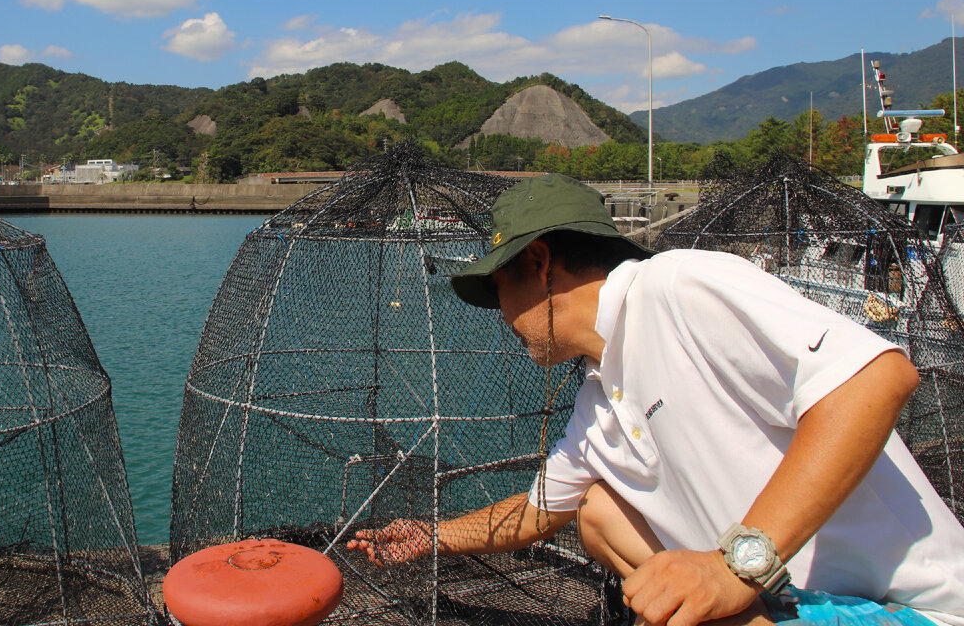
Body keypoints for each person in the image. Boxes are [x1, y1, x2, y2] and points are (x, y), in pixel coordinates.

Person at [346, 174, 964, 626]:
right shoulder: (598, 395)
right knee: (596, 511)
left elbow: (877, 379)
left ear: (538, 262)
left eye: (497, 284)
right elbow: (537, 515)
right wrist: (429, 536)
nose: (500, 314)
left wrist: (732, 568)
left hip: (898, 609)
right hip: (775, 600)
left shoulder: (676, 285)